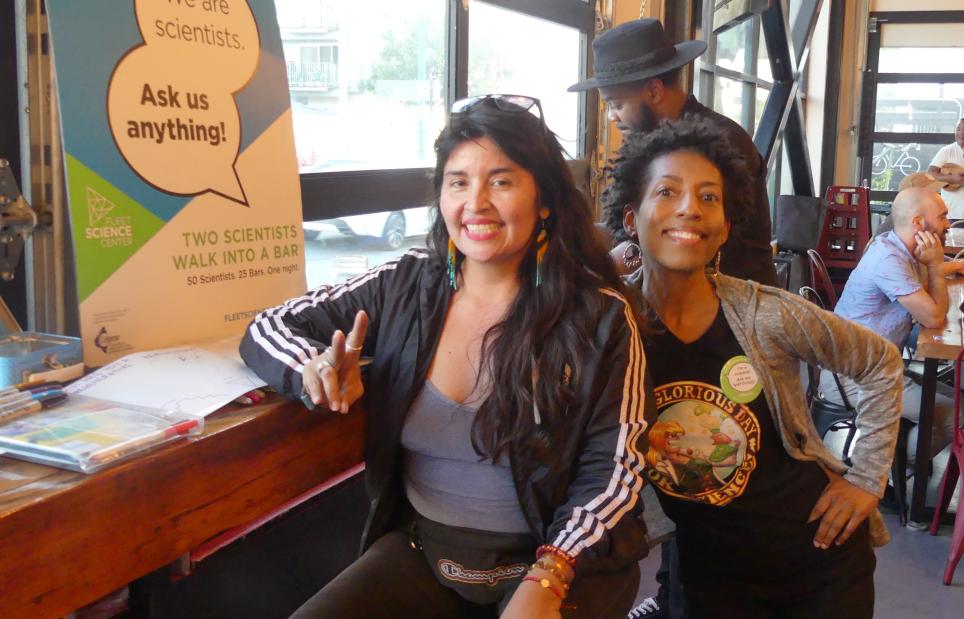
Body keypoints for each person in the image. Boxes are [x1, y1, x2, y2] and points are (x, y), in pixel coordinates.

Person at [240, 95, 653, 619]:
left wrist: (549, 575)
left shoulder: (601, 316)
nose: (475, 203)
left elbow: (615, 470)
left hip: (558, 559)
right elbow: (269, 324)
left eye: (500, 181)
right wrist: (310, 367)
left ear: (543, 199)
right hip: (425, 551)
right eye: (458, 181)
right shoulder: (405, 285)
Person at [603, 118, 903, 618]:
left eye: (708, 198)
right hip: (706, 573)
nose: (688, 209)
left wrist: (866, 479)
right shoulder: (613, 327)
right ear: (632, 219)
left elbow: (880, 361)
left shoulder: (765, 313)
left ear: (723, 226)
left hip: (818, 564)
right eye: (668, 192)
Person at [569, 18, 777, 287]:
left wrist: (624, 258)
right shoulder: (653, 144)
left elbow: (690, 235)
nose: (612, 117)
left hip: (736, 305)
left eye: (617, 104)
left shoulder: (719, 144)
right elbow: (628, 230)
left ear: (654, 91)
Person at [828, 188, 964, 462]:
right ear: (918, 223)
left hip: (873, 366)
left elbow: (932, 304)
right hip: (851, 376)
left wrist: (935, 266)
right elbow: (933, 317)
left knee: (955, 398)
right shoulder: (889, 259)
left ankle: (893, 459)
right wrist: (935, 266)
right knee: (955, 412)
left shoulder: (896, 247)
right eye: (943, 216)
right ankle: (891, 470)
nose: (948, 224)